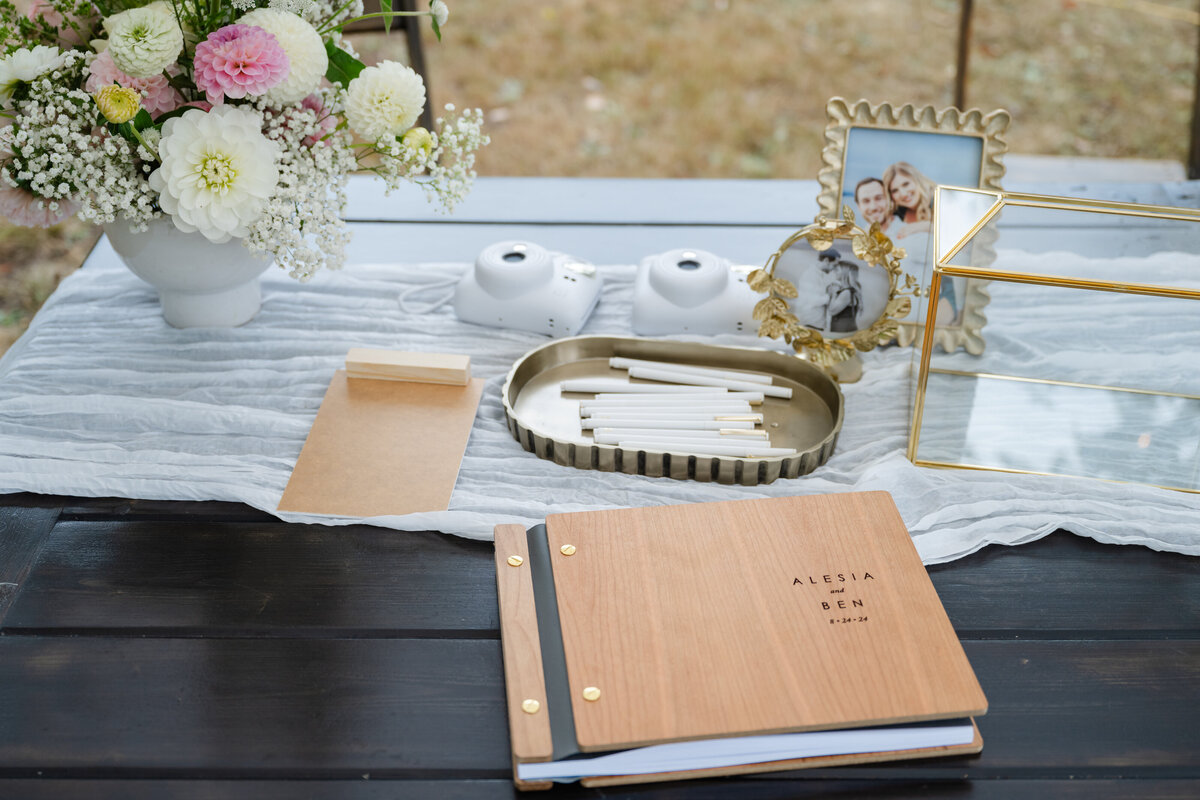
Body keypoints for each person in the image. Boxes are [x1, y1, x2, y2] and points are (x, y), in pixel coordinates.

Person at [882, 161, 935, 238]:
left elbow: (952, 230)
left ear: (917, 180)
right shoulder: (897, 213)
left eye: (906, 184)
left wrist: (923, 226)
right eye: (895, 190)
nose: (903, 194)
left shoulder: (938, 201)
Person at [818, 249, 862, 334]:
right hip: (845, 329)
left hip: (842, 330)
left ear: (844, 273)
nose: (834, 271)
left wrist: (833, 293)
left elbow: (832, 311)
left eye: (837, 270)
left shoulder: (846, 293)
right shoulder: (849, 290)